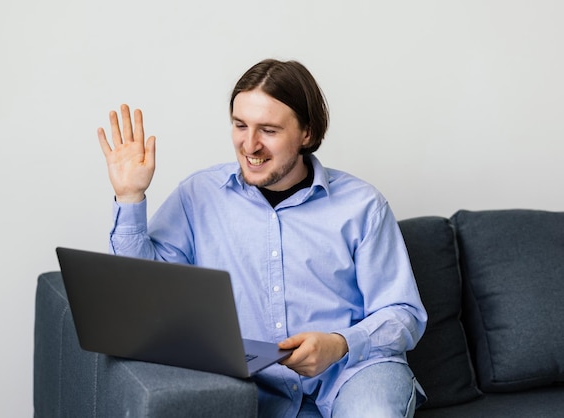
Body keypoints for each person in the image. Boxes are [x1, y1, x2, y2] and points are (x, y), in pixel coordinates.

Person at [97, 59, 428, 418]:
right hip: (250, 383)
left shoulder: (363, 206)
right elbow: (145, 295)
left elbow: (403, 312)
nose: (249, 145)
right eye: (240, 125)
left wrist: (339, 344)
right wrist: (130, 197)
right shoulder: (198, 195)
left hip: (352, 371)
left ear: (307, 132)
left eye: (268, 130)